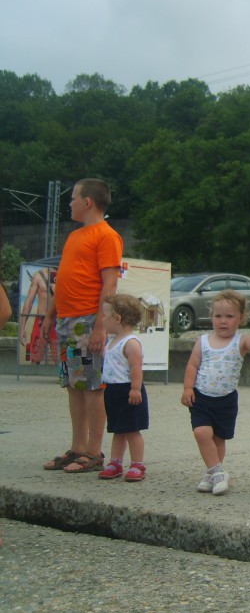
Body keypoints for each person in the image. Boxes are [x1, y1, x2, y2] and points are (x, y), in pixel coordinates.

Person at [42, 178, 123, 474]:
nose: (70, 203)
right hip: (67, 321)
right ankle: (77, 447)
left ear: (87, 202)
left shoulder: (106, 236)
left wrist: (101, 325)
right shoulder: (75, 236)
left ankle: (93, 450)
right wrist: (50, 314)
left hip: (86, 321)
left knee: (90, 386)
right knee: (73, 386)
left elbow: (109, 283)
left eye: (73, 198)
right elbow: (63, 278)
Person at [181, 290, 250, 495]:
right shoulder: (203, 341)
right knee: (201, 432)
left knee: (218, 438)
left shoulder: (241, 341)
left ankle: (213, 472)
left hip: (226, 400)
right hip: (201, 397)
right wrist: (187, 388)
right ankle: (217, 472)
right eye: (218, 316)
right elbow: (192, 366)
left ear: (241, 318)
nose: (223, 321)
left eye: (229, 316)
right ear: (212, 316)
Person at [99, 294, 149, 482]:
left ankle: (137, 464)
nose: (102, 319)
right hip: (113, 391)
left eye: (105, 315)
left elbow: (136, 367)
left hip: (128, 391)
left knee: (132, 430)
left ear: (117, 318)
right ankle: (115, 462)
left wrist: (135, 389)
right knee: (118, 429)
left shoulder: (131, 343)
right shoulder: (112, 340)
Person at [19, 267, 58, 363]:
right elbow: (29, 302)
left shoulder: (66, 274)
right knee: (35, 358)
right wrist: (22, 328)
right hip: (41, 320)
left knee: (59, 359)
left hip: (58, 321)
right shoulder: (39, 276)